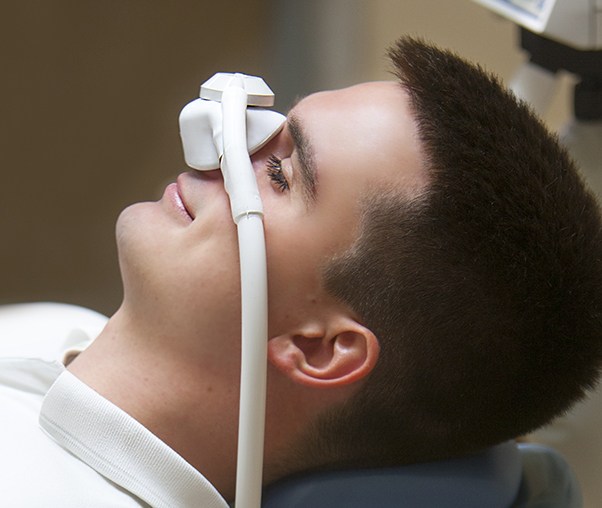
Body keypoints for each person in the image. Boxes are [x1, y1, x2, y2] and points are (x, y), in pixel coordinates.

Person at [2, 36, 601, 507]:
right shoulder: (52, 329)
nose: (225, 141)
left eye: (284, 173)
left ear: (318, 348)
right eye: (270, 124)